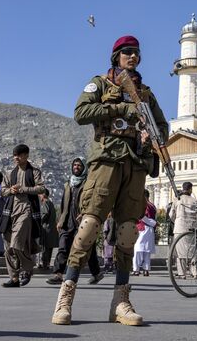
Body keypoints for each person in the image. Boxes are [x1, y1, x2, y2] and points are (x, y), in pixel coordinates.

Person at [52, 35, 168, 326]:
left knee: (128, 232)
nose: (133, 57)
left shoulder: (145, 93)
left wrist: (150, 134)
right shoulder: (101, 84)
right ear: (116, 56)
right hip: (106, 160)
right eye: (127, 52)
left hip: (136, 164)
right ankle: (65, 299)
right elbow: (81, 112)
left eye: (137, 54)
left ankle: (121, 302)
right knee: (89, 227)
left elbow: (163, 128)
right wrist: (120, 108)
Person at [46, 157, 103, 285]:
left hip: (83, 221)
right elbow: (63, 204)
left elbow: (93, 201)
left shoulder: (88, 184)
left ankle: (96, 273)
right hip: (67, 222)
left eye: (79, 165)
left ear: (84, 168)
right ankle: (58, 274)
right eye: (75, 165)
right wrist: (60, 220)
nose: (76, 167)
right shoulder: (68, 184)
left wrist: (85, 213)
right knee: (63, 247)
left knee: (88, 249)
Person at [0, 144, 46, 287]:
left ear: (26, 156)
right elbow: (2, 191)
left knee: (17, 243)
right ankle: (14, 278)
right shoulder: (10, 173)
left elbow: (41, 188)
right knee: (9, 247)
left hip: (27, 210)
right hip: (11, 212)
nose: (16, 158)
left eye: (19, 155)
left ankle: (27, 268)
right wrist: (11, 191)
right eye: (14, 156)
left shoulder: (34, 172)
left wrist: (23, 189)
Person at [169, 182, 196, 278]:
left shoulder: (177, 200)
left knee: (180, 252)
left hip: (179, 228)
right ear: (190, 189)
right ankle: (194, 272)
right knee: (192, 251)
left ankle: (182, 273)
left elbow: (171, 215)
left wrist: (177, 220)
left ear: (183, 188)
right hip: (191, 228)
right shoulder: (194, 200)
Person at [132, 190, 157, 276]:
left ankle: (136, 269)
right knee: (147, 251)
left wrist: (153, 223)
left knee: (137, 250)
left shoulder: (143, 205)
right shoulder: (152, 205)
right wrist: (154, 223)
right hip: (150, 230)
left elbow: (141, 216)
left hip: (142, 228)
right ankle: (146, 269)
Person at [39, 189, 59, 270]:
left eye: (40, 194)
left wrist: (39, 221)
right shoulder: (50, 203)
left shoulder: (45, 202)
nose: (39, 196)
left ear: (43, 195)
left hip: (46, 229)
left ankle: (44, 264)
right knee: (49, 248)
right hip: (51, 229)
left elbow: (45, 213)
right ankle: (47, 264)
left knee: (45, 248)